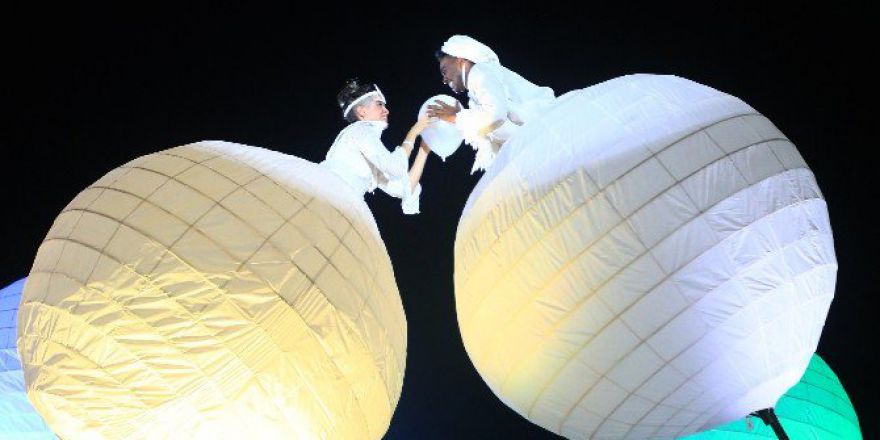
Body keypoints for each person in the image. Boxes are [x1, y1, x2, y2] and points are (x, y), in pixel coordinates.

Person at [427, 35, 556, 173]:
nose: (444, 80)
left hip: (550, 135)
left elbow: (496, 115)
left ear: (460, 60)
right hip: (541, 147)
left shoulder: (480, 71)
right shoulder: (476, 98)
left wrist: (457, 117)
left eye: (444, 71)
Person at [322, 79, 431, 214]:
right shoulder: (360, 130)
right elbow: (395, 168)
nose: (386, 110)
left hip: (338, 205)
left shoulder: (368, 152)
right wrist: (413, 133)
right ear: (361, 111)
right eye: (379, 104)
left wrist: (425, 147)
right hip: (324, 197)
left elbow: (403, 189)